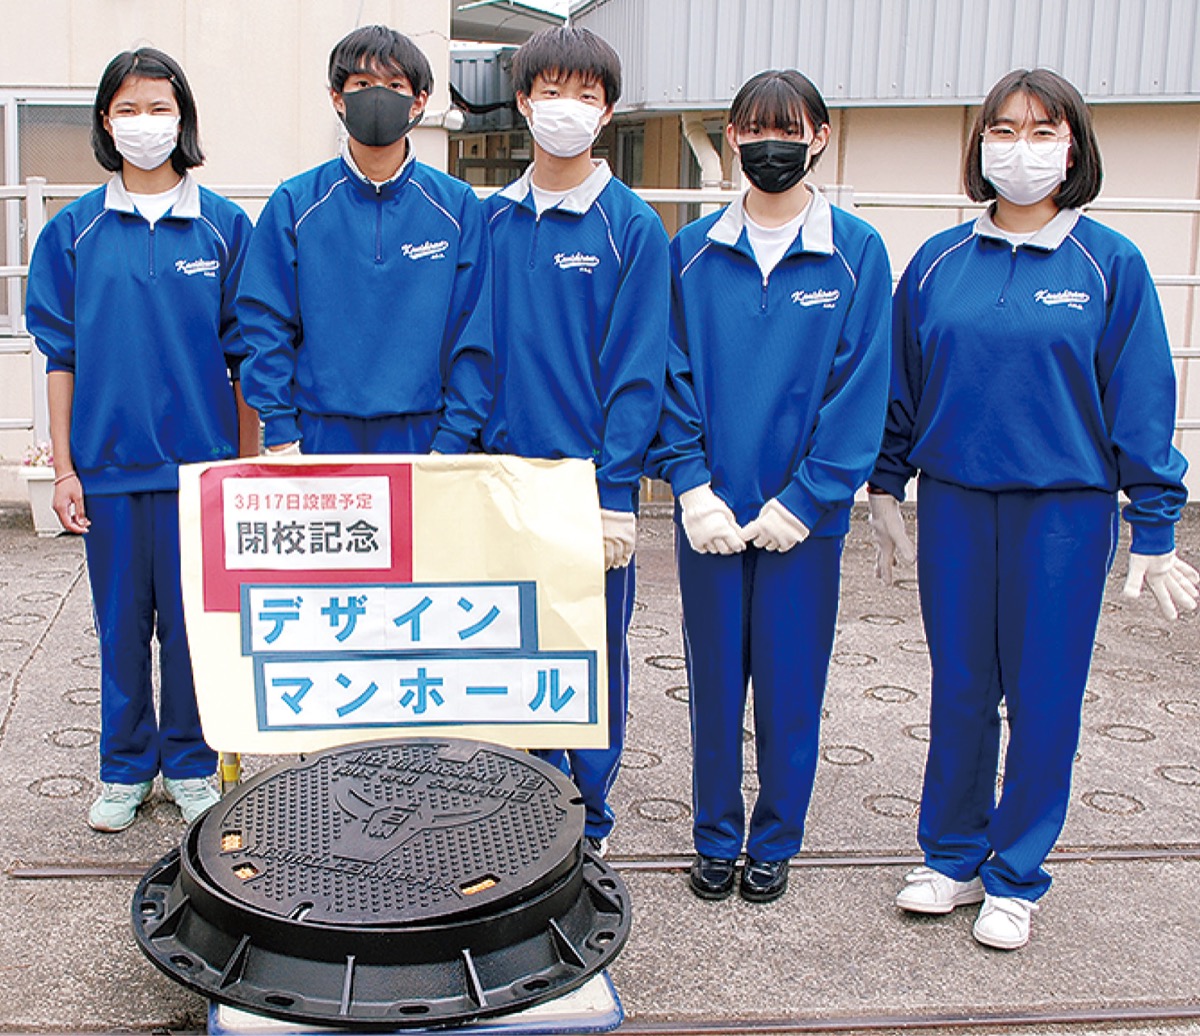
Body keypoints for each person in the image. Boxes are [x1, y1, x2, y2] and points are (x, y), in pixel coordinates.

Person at [869, 68, 1197, 949]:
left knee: (1044, 696)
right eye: (1004, 131)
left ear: (1073, 148)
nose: (1022, 149)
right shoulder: (938, 262)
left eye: (1043, 132)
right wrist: (885, 486)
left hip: (1064, 514)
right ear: (979, 145)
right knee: (961, 688)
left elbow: (1141, 397)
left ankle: (1016, 875)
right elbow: (901, 382)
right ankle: (951, 856)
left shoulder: (1109, 264)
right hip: (956, 504)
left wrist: (1155, 523)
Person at [650, 70, 892, 903]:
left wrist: (810, 498)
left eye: (788, 130)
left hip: (803, 525)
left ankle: (776, 837)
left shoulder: (856, 252)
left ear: (820, 137)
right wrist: (690, 486)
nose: (770, 146)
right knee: (713, 684)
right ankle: (715, 836)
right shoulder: (691, 251)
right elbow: (670, 372)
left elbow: (861, 385)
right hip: (711, 516)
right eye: (754, 130)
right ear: (731, 138)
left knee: (791, 685)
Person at [25, 48, 255, 832]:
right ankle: (124, 769)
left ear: (183, 118)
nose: (144, 123)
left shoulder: (224, 226)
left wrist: (245, 468)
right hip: (111, 471)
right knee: (121, 629)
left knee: (193, 633)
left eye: (159, 108)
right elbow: (61, 357)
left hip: (201, 474)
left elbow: (247, 358)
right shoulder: (73, 231)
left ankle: (190, 764)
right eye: (128, 108)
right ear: (105, 121)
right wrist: (64, 468)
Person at [482, 26, 670, 856]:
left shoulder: (632, 227)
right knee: (511, 650)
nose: (568, 108)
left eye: (586, 95)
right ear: (524, 102)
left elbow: (638, 370)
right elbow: (470, 350)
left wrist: (616, 492)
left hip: (586, 487)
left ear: (608, 112)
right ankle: (520, 805)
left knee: (589, 659)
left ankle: (588, 822)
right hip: (500, 481)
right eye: (552, 91)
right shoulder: (491, 219)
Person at [237, 25, 492, 456]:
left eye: (395, 85)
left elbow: (473, 328)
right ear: (337, 97)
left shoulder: (456, 206)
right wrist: (280, 431)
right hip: (317, 433)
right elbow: (265, 320)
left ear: (419, 102)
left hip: (424, 435)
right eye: (362, 84)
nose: (378, 96)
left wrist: (453, 438)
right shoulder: (295, 203)